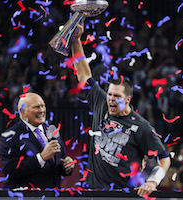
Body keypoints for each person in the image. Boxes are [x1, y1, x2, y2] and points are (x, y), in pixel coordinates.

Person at [71, 24, 171, 197]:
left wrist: (153, 181)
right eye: (109, 94)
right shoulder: (102, 102)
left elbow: (164, 158)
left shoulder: (142, 126)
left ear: (127, 100)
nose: (110, 99)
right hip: (91, 191)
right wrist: (76, 42)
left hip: (122, 194)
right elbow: (84, 76)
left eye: (116, 96)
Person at [0, 93, 75, 189]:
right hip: (26, 196)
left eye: (43, 106)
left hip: (52, 194)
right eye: (36, 107)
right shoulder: (10, 136)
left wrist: (66, 165)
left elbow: (60, 158)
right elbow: (9, 171)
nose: (41, 110)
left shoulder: (51, 130)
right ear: (23, 112)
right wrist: (41, 158)